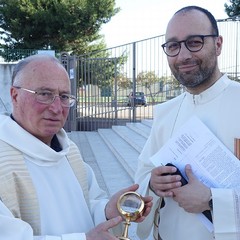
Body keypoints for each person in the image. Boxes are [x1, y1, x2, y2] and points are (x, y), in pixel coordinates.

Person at [0, 54, 152, 240]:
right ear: (15, 95)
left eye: (64, 96)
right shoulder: (3, 160)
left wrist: (107, 211)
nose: (57, 108)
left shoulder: (69, 150)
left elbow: (85, 206)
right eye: (44, 94)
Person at [135, 5, 240, 240]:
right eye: (173, 46)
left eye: (194, 42)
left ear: (218, 44)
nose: (183, 56)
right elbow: (142, 176)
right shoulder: (166, 113)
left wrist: (212, 201)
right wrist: (153, 182)